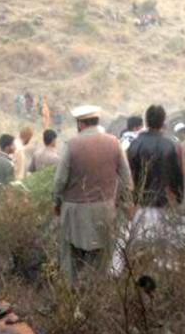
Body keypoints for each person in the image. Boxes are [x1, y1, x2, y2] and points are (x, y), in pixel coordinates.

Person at [53, 105, 133, 284]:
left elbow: (59, 181)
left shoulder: (71, 145)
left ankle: (72, 296)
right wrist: (124, 203)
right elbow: (127, 179)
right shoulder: (114, 142)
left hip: (74, 211)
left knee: (70, 259)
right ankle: (95, 295)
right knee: (101, 259)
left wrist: (57, 202)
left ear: (80, 124)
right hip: (104, 209)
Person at [127, 105, 183, 231]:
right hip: (162, 204)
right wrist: (179, 197)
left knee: (140, 243)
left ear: (146, 121)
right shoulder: (168, 145)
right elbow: (176, 176)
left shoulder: (135, 145)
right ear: (163, 121)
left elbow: (129, 176)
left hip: (140, 206)